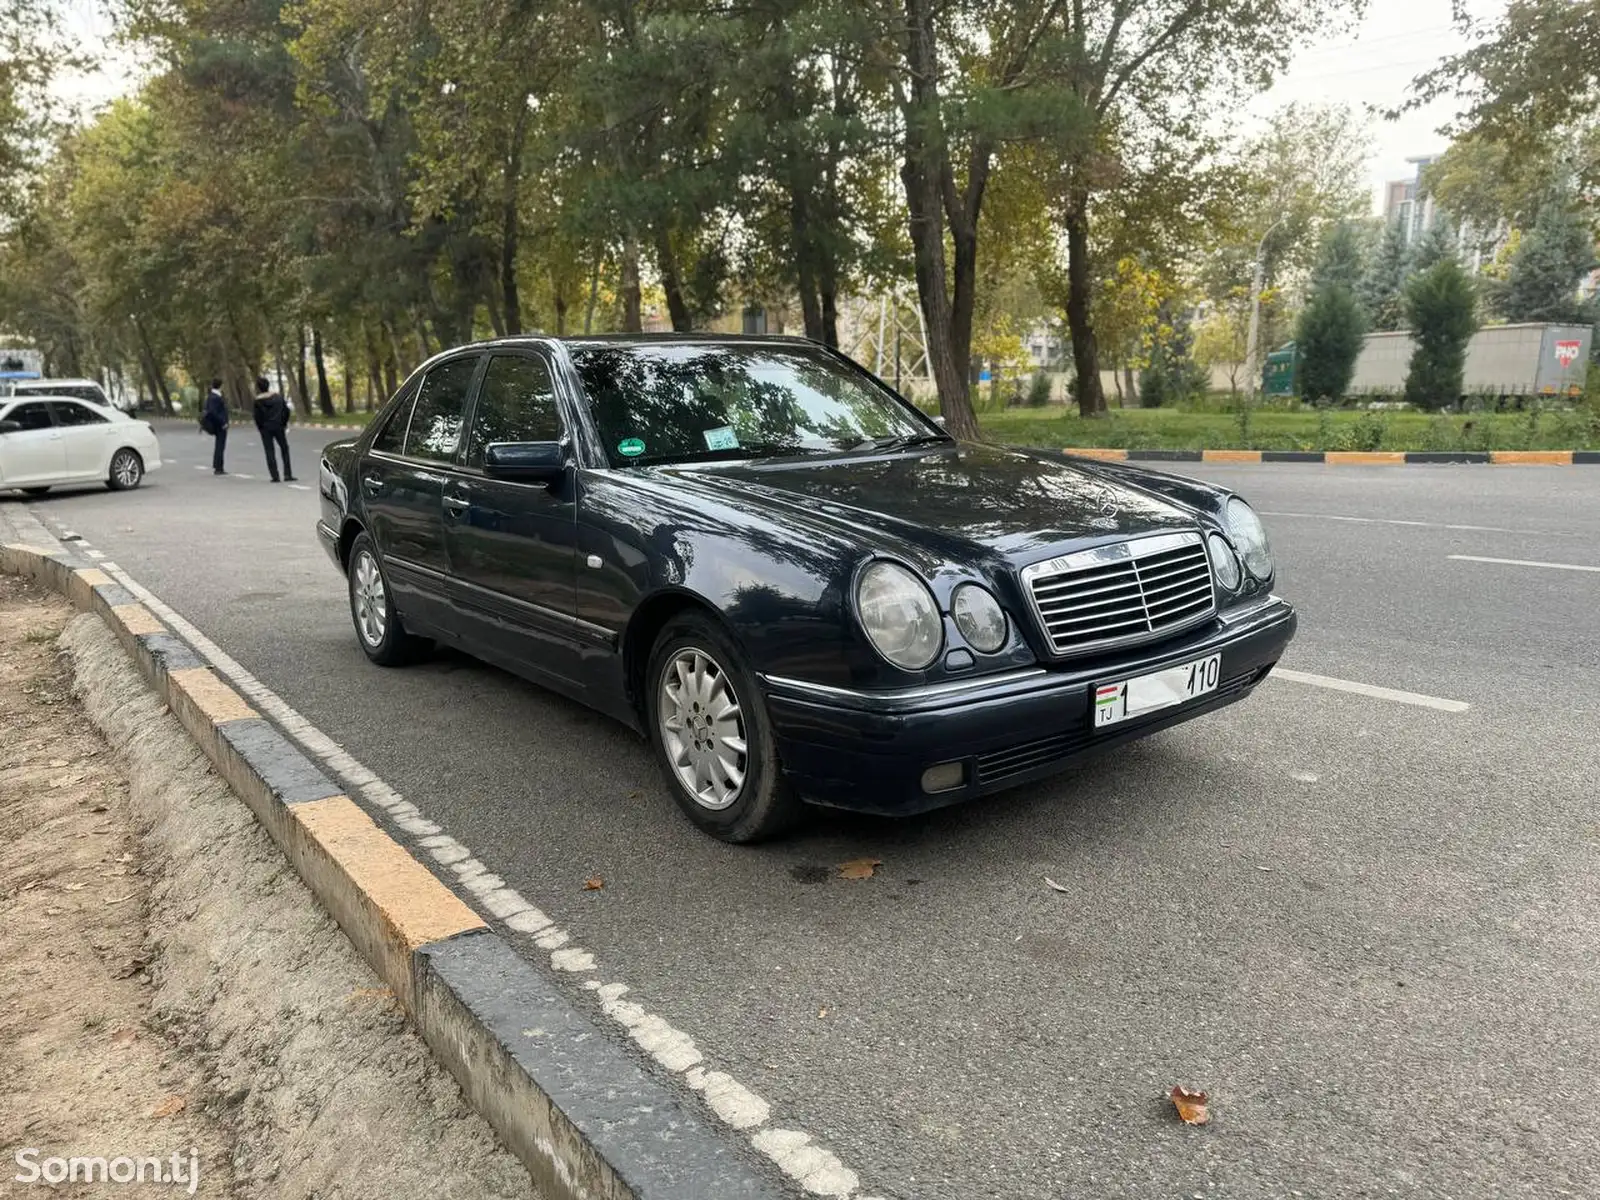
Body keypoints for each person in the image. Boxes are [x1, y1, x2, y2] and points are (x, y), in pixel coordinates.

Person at [252, 376, 295, 482]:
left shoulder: (257, 401)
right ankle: (287, 474)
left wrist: (260, 428)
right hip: (279, 426)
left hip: (265, 429)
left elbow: (257, 417)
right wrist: (283, 423)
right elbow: (286, 411)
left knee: (269, 451)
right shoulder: (278, 398)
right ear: (268, 385)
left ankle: (275, 476)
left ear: (258, 388)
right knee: (284, 449)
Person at [200, 379, 229, 474]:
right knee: (220, 446)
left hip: (218, 424)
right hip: (219, 425)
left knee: (219, 446)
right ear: (221, 386)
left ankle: (218, 466)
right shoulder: (215, 397)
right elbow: (214, 412)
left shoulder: (212, 396)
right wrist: (223, 423)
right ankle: (218, 468)